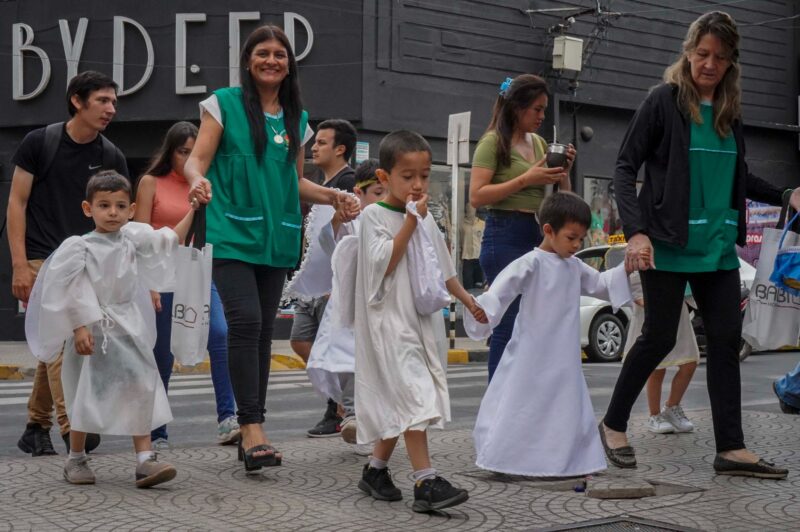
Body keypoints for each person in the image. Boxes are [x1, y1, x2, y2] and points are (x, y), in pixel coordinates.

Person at [600, 11, 800, 479]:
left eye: (720, 57)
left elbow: (737, 176)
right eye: (702, 53)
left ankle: (731, 448)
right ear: (688, 52)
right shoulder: (663, 101)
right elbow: (625, 168)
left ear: (731, 63)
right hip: (667, 244)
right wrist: (636, 231)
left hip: (717, 247)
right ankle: (612, 425)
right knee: (658, 338)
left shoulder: (730, 113)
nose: (709, 64)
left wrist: (786, 195)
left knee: (726, 342)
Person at [184, 25, 359, 473]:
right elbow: (197, 159)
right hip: (230, 229)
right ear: (248, 61)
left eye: (280, 54)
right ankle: (252, 426)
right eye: (262, 53)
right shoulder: (222, 104)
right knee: (245, 321)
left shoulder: (297, 119)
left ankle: (252, 429)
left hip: (276, 235)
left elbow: (294, 181)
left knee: (263, 331)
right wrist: (196, 180)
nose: (271, 60)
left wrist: (333, 195)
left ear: (289, 65)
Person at [26, 171, 194, 487]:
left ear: (132, 210)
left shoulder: (134, 238)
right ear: (88, 208)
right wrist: (79, 327)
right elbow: (71, 289)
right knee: (87, 392)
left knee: (141, 386)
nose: (113, 212)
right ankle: (76, 457)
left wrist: (194, 209)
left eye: (120, 206)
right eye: (104, 205)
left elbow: (169, 240)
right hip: (93, 331)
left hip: (129, 327)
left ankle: (144, 460)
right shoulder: (79, 248)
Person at [354, 130, 485, 513]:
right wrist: (412, 220)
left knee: (406, 398)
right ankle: (426, 481)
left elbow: (442, 268)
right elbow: (384, 263)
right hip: (389, 325)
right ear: (384, 177)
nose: (417, 184)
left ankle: (375, 470)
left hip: (421, 321)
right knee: (415, 395)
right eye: (407, 176)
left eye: (424, 176)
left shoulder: (424, 218)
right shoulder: (374, 216)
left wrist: (468, 301)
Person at [464, 192, 631, 477]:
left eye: (581, 239)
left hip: (564, 354)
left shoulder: (575, 266)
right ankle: (510, 458)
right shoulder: (531, 263)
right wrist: (484, 311)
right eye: (571, 238)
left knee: (563, 405)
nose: (577, 245)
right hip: (531, 350)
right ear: (548, 230)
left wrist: (626, 267)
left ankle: (566, 460)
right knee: (522, 402)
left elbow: (601, 284)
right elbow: (501, 290)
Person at [8, 71, 129, 456]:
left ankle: (35, 426)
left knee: (56, 341)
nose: (111, 109)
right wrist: (19, 265)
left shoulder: (110, 155)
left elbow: (120, 214)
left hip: (87, 261)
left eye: (114, 102)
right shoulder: (39, 142)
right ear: (77, 101)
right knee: (64, 340)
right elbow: (16, 203)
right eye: (103, 100)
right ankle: (73, 424)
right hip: (42, 258)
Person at [134, 121, 240, 448]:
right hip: (160, 274)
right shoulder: (151, 182)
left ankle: (228, 418)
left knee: (219, 334)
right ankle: (157, 432)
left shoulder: (207, 185)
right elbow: (139, 236)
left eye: (194, 152)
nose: (188, 158)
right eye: (182, 151)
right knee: (162, 353)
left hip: (197, 272)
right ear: (170, 151)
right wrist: (148, 284)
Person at [469, 74, 576, 380]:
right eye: (537, 109)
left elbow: (562, 198)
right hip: (504, 233)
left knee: (535, 322)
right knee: (508, 322)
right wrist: (525, 179)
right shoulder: (493, 142)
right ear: (517, 107)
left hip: (538, 233)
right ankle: (498, 398)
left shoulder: (540, 143)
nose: (542, 116)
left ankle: (524, 395)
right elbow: (476, 196)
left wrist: (563, 173)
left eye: (544, 110)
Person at [305, 159, 384, 455]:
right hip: (352, 305)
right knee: (350, 359)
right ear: (358, 193)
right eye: (377, 193)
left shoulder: (395, 220)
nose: (383, 200)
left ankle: (371, 421)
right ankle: (351, 414)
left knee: (378, 365)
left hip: (384, 305)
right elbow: (330, 245)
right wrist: (338, 220)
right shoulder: (351, 220)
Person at [294, 118, 358, 438]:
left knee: (335, 349)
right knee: (300, 339)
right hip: (313, 282)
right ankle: (339, 404)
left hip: (334, 284)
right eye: (314, 142)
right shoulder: (320, 186)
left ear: (340, 149)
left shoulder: (348, 183)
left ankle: (341, 410)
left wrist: (340, 284)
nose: (314, 148)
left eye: (321, 143)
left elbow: (351, 235)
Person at [624, 271, 699, 434]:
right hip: (652, 312)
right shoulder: (644, 254)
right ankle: (654, 415)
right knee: (657, 367)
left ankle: (672, 407)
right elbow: (634, 278)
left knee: (690, 362)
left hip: (678, 311)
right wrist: (644, 299)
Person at [461, 204, 485, 289]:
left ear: (475, 210)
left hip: (479, 256)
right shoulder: (462, 224)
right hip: (467, 257)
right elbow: (459, 240)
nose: (470, 211)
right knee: (467, 283)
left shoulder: (482, 224)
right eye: (468, 209)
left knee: (480, 283)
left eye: (472, 209)